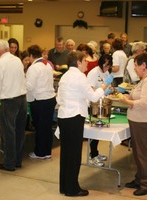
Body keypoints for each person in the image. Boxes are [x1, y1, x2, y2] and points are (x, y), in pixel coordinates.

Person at [57, 51, 113, 197]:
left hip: (64, 116)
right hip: (74, 116)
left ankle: (65, 186)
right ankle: (72, 188)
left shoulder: (65, 76)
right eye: (85, 61)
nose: (88, 63)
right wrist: (104, 86)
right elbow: (93, 97)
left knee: (66, 154)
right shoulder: (79, 76)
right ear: (78, 62)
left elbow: (59, 99)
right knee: (74, 155)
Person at [121, 53, 147, 196]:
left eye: (136, 65)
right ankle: (140, 179)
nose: (135, 69)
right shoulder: (145, 79)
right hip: (139, 120)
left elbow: (144, 103)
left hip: (144, 121)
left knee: (144, 154)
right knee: (139, 153)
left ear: (144, 65)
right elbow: (138, 95)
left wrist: (127, 102)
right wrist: (129, 96)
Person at [0, 39, 27, 171]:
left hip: (9, 102)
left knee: (8, 133)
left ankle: (9, 163)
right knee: (19, 132)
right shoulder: (17, 60)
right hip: (22, 99)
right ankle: (17, 161)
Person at [26, 45, 56, 159]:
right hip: (49, 99)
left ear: (31, 55)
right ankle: (47, 151)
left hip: (40, 100)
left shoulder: (33, 68)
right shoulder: (47, 64)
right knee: (47, 127)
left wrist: (21, 81)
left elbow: (29, 86)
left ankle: (39, 152)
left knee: (40, 128)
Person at [87, 54, 113, 167]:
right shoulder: (94, 72)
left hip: (102, 104)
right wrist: (102, 90)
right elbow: (90, 88)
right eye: (106, 65)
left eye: (109, 66)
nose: (107, 68)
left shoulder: (106, 72)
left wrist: (110, 89)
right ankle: (92, 156)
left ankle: (95, 153)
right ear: (101, 63)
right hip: (93, 104)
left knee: (99, 131)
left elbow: (108, 85)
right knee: (94, 131)